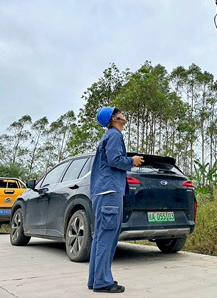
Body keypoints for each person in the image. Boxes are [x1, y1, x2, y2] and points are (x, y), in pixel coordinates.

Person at [87, 106, 144, 293]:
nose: (123, 114)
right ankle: (103, 281)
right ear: (113, 119)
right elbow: (114, 160)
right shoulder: (114, 135)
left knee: (101, 236)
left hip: (103, 192)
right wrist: (131, 161)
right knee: (107, 236)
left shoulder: (109, 136)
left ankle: (95, 279)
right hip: (109, 192)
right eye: (118, 113)